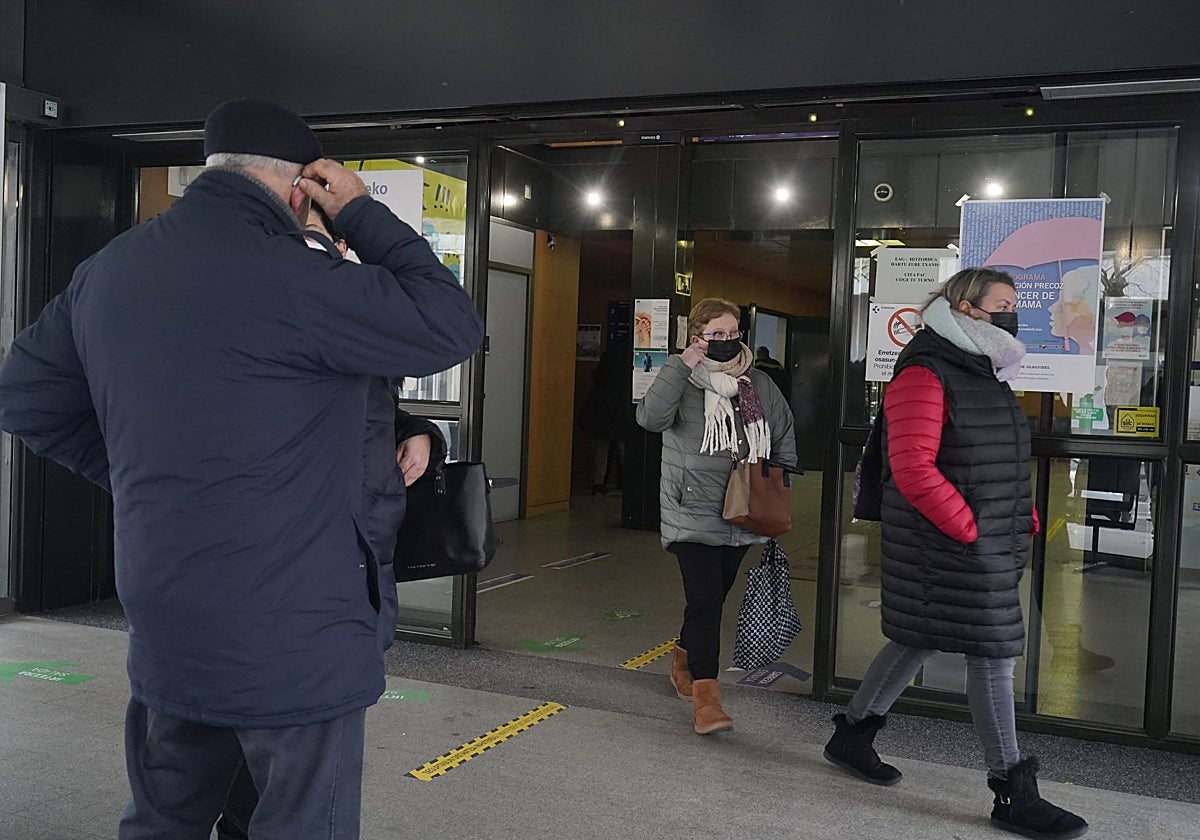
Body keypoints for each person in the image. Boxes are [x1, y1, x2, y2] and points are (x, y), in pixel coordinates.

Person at [0, 98, 484, 839]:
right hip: (297, 632)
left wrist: (135, 474)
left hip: (170, 613)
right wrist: (360, 213)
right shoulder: (296, 277)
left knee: (166, 820)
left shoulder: (111, 270)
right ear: (302, 190)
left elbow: (25, 397)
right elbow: (453, 323)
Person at [823, 268, 1087, 839]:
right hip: (949, 541)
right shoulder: (925, 370)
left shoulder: (981, 368)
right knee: (991, 654)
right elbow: (913, 469)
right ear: (966, 308)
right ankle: (1013, 791)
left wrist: (1023, 511)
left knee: (916, 637)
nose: (1014, 314)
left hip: (984, 534)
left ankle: (852, 736)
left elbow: (994, 457)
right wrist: (969, 528)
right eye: (1003, 304)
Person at [215, 204, 449, 840]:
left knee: (291, 747)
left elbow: (367, 405)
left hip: (358, 552)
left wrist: (421, 433)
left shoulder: (352, 305)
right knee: (294, 749)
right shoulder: (272, 299)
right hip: (303, 564)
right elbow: (450, 320)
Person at [636, 298, 796, 735]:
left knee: (713, 596)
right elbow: (650, 420)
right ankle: (707, 698)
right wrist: (680, 366)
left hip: (744, 511)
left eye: (734, 332)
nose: (728, 340)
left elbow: (782, 436)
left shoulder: (759, 383)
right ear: (698, 337)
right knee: (706, 599)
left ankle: (684, 654)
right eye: (717, 334)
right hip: (692, 509)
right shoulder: (682, 378)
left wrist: (777, 490)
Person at [577, 339, 630, 495]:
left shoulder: (608, 358)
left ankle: (598, 483)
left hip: (601, 410)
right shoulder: (630, 362)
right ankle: (630, 481)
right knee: (624, 448)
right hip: (622, 410)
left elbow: (595, 376)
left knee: (601, 447)